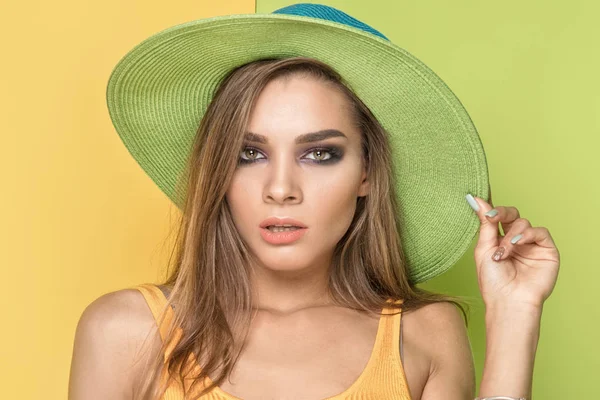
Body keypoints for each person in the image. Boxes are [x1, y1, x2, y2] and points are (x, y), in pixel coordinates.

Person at [68, 4, 560, 400]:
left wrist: (515, 313)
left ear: (366, 173)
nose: (280, 188)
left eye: (320, 153)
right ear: (219, 169)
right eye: (249, 153)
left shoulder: (426, 334)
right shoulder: (125, 332)